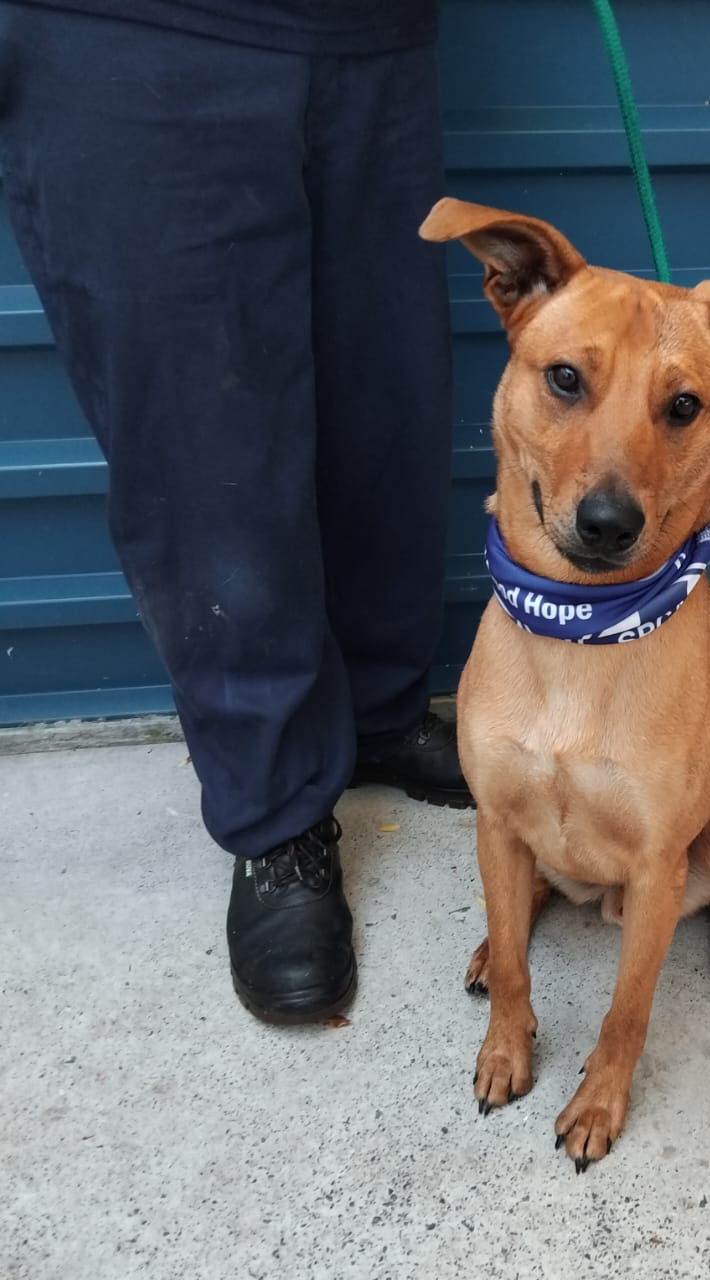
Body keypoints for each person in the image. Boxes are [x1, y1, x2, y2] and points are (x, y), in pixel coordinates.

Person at [0, 0, 469, 1024]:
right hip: (136, 37)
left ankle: (377, 715)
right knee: (206, 455)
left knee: (386, 412)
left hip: (372, 38)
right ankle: (275, 808)